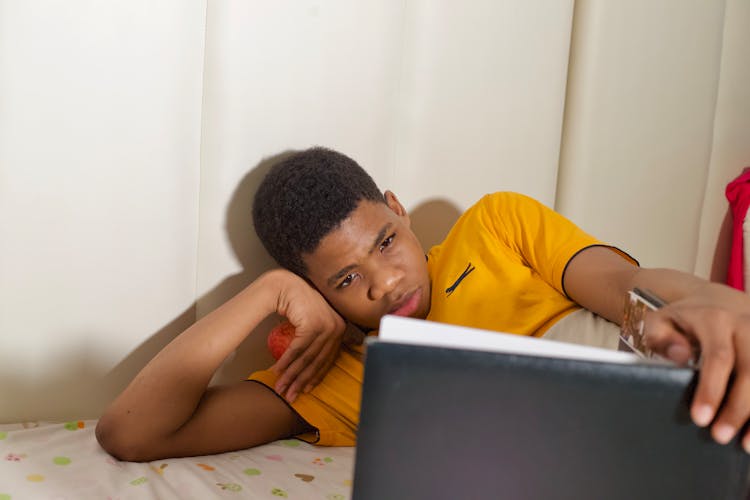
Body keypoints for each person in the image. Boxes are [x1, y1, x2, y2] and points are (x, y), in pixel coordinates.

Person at [96, 147, 750, 461]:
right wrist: (267, 293)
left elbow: (625, 287)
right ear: (314, 292)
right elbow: (131, 432)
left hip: (663, 384)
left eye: (385, 240)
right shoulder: (343, 376)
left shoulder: (495, 227)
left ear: (400, 209)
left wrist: (720, 305)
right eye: (345, 281)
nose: (383, 283)